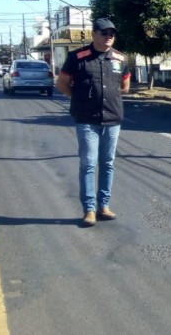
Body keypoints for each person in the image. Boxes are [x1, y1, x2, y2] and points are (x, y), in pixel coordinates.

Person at [55, 18, 131, 227]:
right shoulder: (77, 58)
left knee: (107, 163)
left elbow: (124, 86)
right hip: (86, 120)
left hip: (112, 119)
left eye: (112, 34)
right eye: (104, 32)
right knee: (88, 163)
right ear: (94, 34)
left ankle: (103, 206)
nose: (109, 37)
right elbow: (61, 83)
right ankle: (89, 209)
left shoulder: (120, 58)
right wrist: (79, 99)